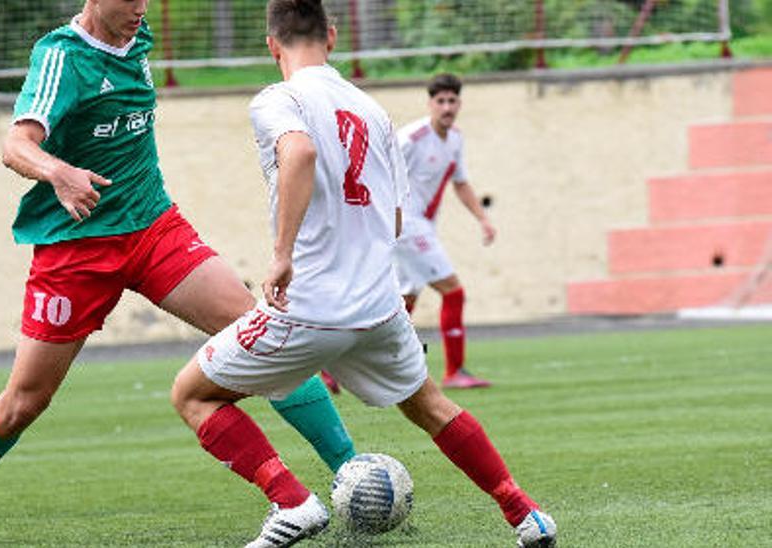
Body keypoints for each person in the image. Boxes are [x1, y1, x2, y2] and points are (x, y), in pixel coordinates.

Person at [0, 1, 356, 544]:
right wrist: (59, 173)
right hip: (75, 250)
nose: (141, 9)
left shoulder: (138, 33)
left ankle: (350, 479)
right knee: (23, 403)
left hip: (153, 228)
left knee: (263, 336)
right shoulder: (62, 56)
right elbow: (16, 145)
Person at [168, 2, 556, 547]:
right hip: (379, 307)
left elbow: (298, 151)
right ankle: (526, 514)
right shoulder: (374, 112)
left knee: (192, 395)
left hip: (307, 307)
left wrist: (281, 254)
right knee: (432, 406)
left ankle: (293, 502)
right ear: (331, 36)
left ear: (271, 45)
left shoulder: (278, 100)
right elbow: (395, 216)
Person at [395, 73, 497, 388]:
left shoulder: (455, 139)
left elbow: (461, 183)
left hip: (422, 226)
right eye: (440, 101)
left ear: (459, 104)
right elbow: (380, 170)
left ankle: (338, 369)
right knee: (454, 291)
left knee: (402, 302)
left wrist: (483, 218)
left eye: (452, 100)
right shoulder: (411, 137)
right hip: (406, 225)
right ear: (430, 104)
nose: (447, 107)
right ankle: (454, 371)